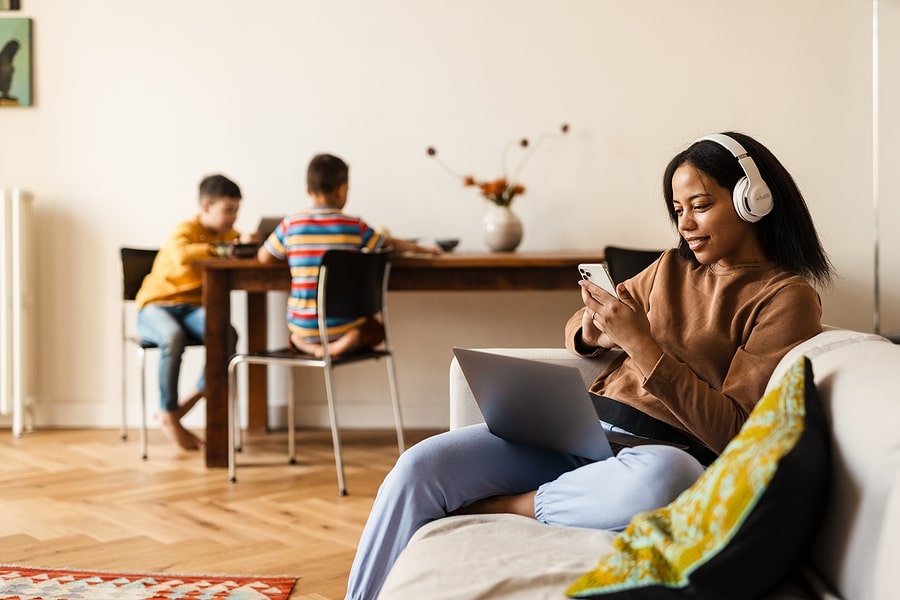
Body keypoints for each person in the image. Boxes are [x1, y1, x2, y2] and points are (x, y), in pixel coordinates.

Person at [344, 131, 835, 599]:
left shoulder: (785, 298)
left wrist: (640, 343)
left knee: (665, 480)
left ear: (754, 201)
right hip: (584, 431)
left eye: (701, 206)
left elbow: (734, 432)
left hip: (664, 453)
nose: (684, 224)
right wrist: (590, 330)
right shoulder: (670, 266)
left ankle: (507, 506)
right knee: (418, 467)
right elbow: (584, 326)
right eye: (678, 209)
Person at [257, 153, 440, 358]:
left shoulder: (291, 224)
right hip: (341, 327)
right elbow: (390, 245)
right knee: (375, 330)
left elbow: (264, 256)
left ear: (308, 190)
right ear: (342, 189)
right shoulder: (355, 226)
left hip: (303, 325)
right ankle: (341, 344)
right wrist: (423, 250)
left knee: (296, 334)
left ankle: (307, 345)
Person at [135, 174, 257, 451]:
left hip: (192, 309)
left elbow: (242, 249)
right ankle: (169, 412)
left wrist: (248, 241)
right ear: (206, 206)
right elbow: (182, 256)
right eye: (228, 210)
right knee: (173, 337)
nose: (233, 218)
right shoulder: (186, 229)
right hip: (155, 307)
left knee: (226, 333)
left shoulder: (230, 236)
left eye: (236, 210)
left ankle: (183, 406)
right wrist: (229, 247)